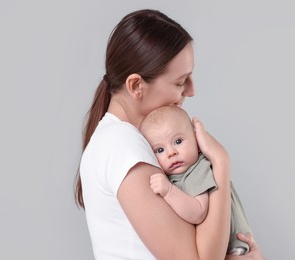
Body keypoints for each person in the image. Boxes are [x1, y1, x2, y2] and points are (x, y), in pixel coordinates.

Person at [74, 9, 265, 260]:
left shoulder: (124, 141)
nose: (191, 90)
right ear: (135, 86)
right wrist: (220, 162)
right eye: (180, 81)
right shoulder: (122, 145)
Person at [139, 105, 253, 256]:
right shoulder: (175, 176)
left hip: (234, 246)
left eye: (178, 141)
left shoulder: (199, 169)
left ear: (198, 142)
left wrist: (168, 191)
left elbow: (198, 213)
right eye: (160, 150)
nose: (171, 153)